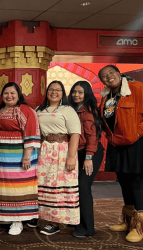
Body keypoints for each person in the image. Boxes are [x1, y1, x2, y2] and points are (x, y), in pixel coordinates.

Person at [98, 65, 143, 243]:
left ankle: (139, 227)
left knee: (136, 183)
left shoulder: (137, 88)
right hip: (116, 145)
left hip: (136, 144)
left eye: (111, 73)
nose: (108, 77)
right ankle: (129, 221)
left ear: (119, 74)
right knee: (123, 181)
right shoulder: (107, 97)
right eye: (104, 76)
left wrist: (138, 132)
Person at [0, 82, 40, 236]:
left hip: (17, 156)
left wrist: (26, 157)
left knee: (16, 188)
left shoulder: (25, 110)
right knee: (1, 187)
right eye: (6, 93)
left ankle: (18, 220)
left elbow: (31, 133)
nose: (9, 96)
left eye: (13, 93)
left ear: (19, 95)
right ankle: (1, 216)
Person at [36, 80, 81, 236]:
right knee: (44, 184)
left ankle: (56, 222)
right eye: (51, 89)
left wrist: (71, 157)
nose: (54, 92)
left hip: (62, 150)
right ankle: (45, 217)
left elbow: (75, 134)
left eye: (58, 90)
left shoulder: (67, 110)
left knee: (59, 186)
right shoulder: (39, 110)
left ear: (63, 93)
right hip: (45, 150)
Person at [68, 81, 104, 238]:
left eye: (80, 92)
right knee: (76, 188)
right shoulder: (71, 110)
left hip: (91, 153)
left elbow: (92, 137)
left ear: (87, 94)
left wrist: (88, 157)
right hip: (78, 153)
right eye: (74, 92)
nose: (76, 95)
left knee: (83, 187)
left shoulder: (87, 112)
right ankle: (77, 222)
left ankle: (87, 228)